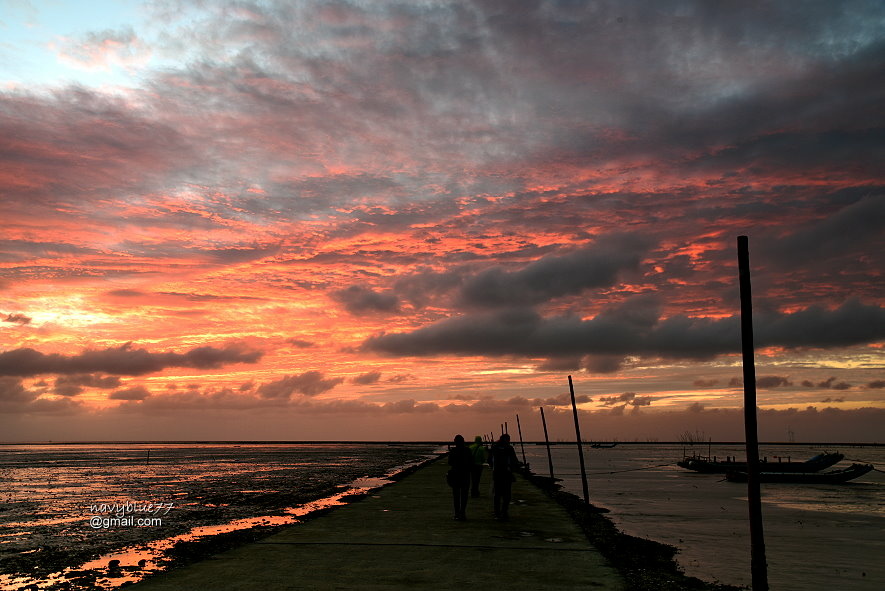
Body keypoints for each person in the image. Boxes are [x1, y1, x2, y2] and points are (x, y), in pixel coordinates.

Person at [488, 433, 520, 520]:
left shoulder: (494, 447)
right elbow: (514, 460)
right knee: (506, 494)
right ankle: (504, 512)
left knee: (497, 494)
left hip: (497, 473)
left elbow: (490, 460)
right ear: (507, 440)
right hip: (506, 473)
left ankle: (497, 512)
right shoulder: (509, 448)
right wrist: (514, 468)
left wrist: (493, 467)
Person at [447, 434, 472, 521]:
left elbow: (449, 462)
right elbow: (471, 462)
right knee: (464, 495)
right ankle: (463, 513)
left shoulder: (453, 451)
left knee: (456, 495)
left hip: (455, 474)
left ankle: (457, 513)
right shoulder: (467, 450)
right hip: (465, 475)